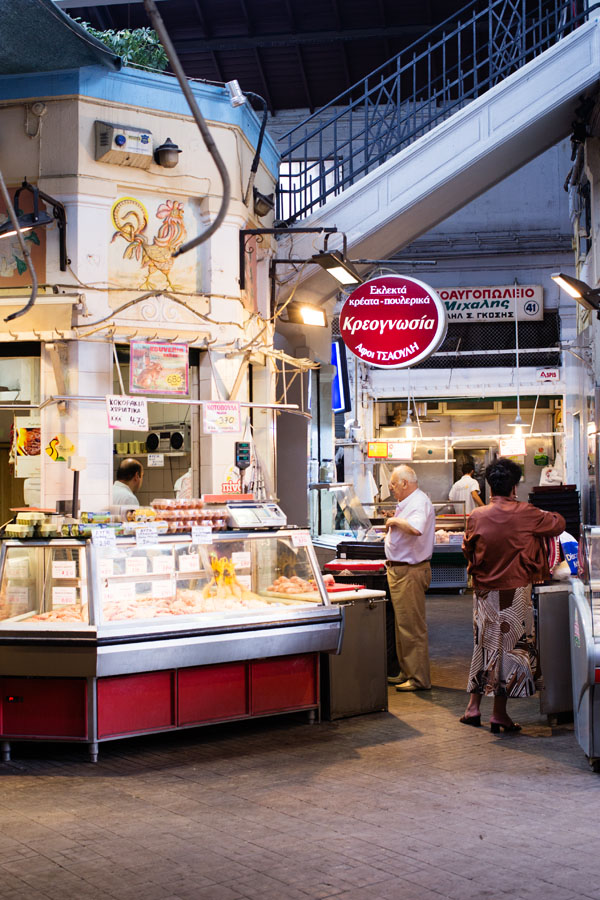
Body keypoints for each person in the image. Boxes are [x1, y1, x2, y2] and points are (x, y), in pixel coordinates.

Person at [460, 457, 565, 732]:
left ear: (489, 487)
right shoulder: (527, 513)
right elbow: (559, 524)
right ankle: (498, 714)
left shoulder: (476, 516)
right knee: (509, 650)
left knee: (484, 647)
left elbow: (468, 550)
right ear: (514, 487)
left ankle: (472, 708)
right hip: (514, 591)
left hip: (483, 593)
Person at [384, 464, 435, 692]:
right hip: (400, 570)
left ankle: (419, 679)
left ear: (405, 483)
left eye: (393, 484)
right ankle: (407, 671)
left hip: (409, 572)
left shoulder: (418, 501)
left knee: (412, 627)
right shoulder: (409, 502)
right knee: (403, 625)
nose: (391, 488)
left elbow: (416, 528)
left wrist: (394, 522)